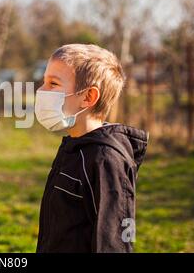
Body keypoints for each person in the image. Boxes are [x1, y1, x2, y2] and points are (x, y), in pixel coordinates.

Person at [34, 44, 148, 252]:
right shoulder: (74, 145)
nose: (41, 90)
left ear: (87, 97)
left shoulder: (106, 160)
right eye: (44, 82)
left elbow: (113, 242)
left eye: (53, 83)